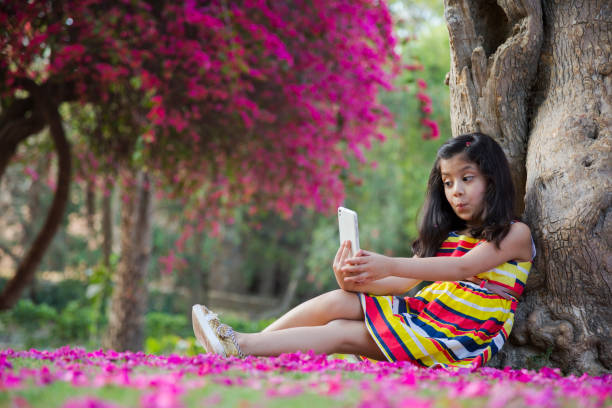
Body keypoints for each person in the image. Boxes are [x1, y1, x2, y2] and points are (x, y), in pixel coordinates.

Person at [191, 132, 536, 368]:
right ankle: (243, 349)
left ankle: (240, 347)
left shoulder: (514, 234)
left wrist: (386, 263)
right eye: (447, 182)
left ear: (491, 180)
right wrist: (357, 279)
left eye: (467, 178)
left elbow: (460, 270)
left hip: (457, 335)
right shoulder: (451, 235)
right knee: (338, 301)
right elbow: (399, 285)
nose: (455, 191)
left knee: (342, 331)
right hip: (427, 316)